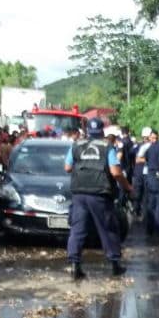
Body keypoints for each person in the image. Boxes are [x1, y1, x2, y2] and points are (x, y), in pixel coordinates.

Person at [65, 117, 133, 280]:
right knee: (108, 228)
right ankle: (115, 264)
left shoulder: (76, 145)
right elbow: (116, 172)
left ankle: (75, 265)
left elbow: (67, 167)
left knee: (77, 229)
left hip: (79, 193)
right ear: (102, 131)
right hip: (100, 194)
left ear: (87, 131)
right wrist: (128, 187)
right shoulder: (107, 147)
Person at [132, 126, 154, 217]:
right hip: (143, 172)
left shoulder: (138, 145)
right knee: (143, 193)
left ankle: (137, 210)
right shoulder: (148, 146)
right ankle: (139, 210)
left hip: (139, 172)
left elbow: (131, 153)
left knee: (139, 192)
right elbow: (136, 158)